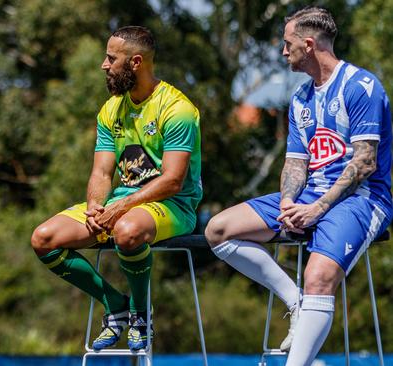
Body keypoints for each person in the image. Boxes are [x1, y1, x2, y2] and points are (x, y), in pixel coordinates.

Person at [205, 6, 392, 365]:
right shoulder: (301, 98)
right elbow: (295, 162)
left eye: (287, 43)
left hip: (362, 198)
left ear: (308, 44)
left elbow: (365, 162)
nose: (282, 51)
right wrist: (291, 202)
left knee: (319, 274)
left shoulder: (361, 86)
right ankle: (295, 301)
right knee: (219, 230)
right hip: (309, 196)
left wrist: (317, 209)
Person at [30, 25, 201, 351]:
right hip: (120, 205)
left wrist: (119, 209)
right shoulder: (111, 109)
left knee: (126, 231)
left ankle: (140, 312)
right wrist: (96, 207)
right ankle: (114, 303)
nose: (104, 65)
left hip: (174, 204)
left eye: (111, 58)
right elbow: (102, 171)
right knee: (43, 239)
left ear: (135, 62)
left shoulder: (177, 109)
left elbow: (173, 180)